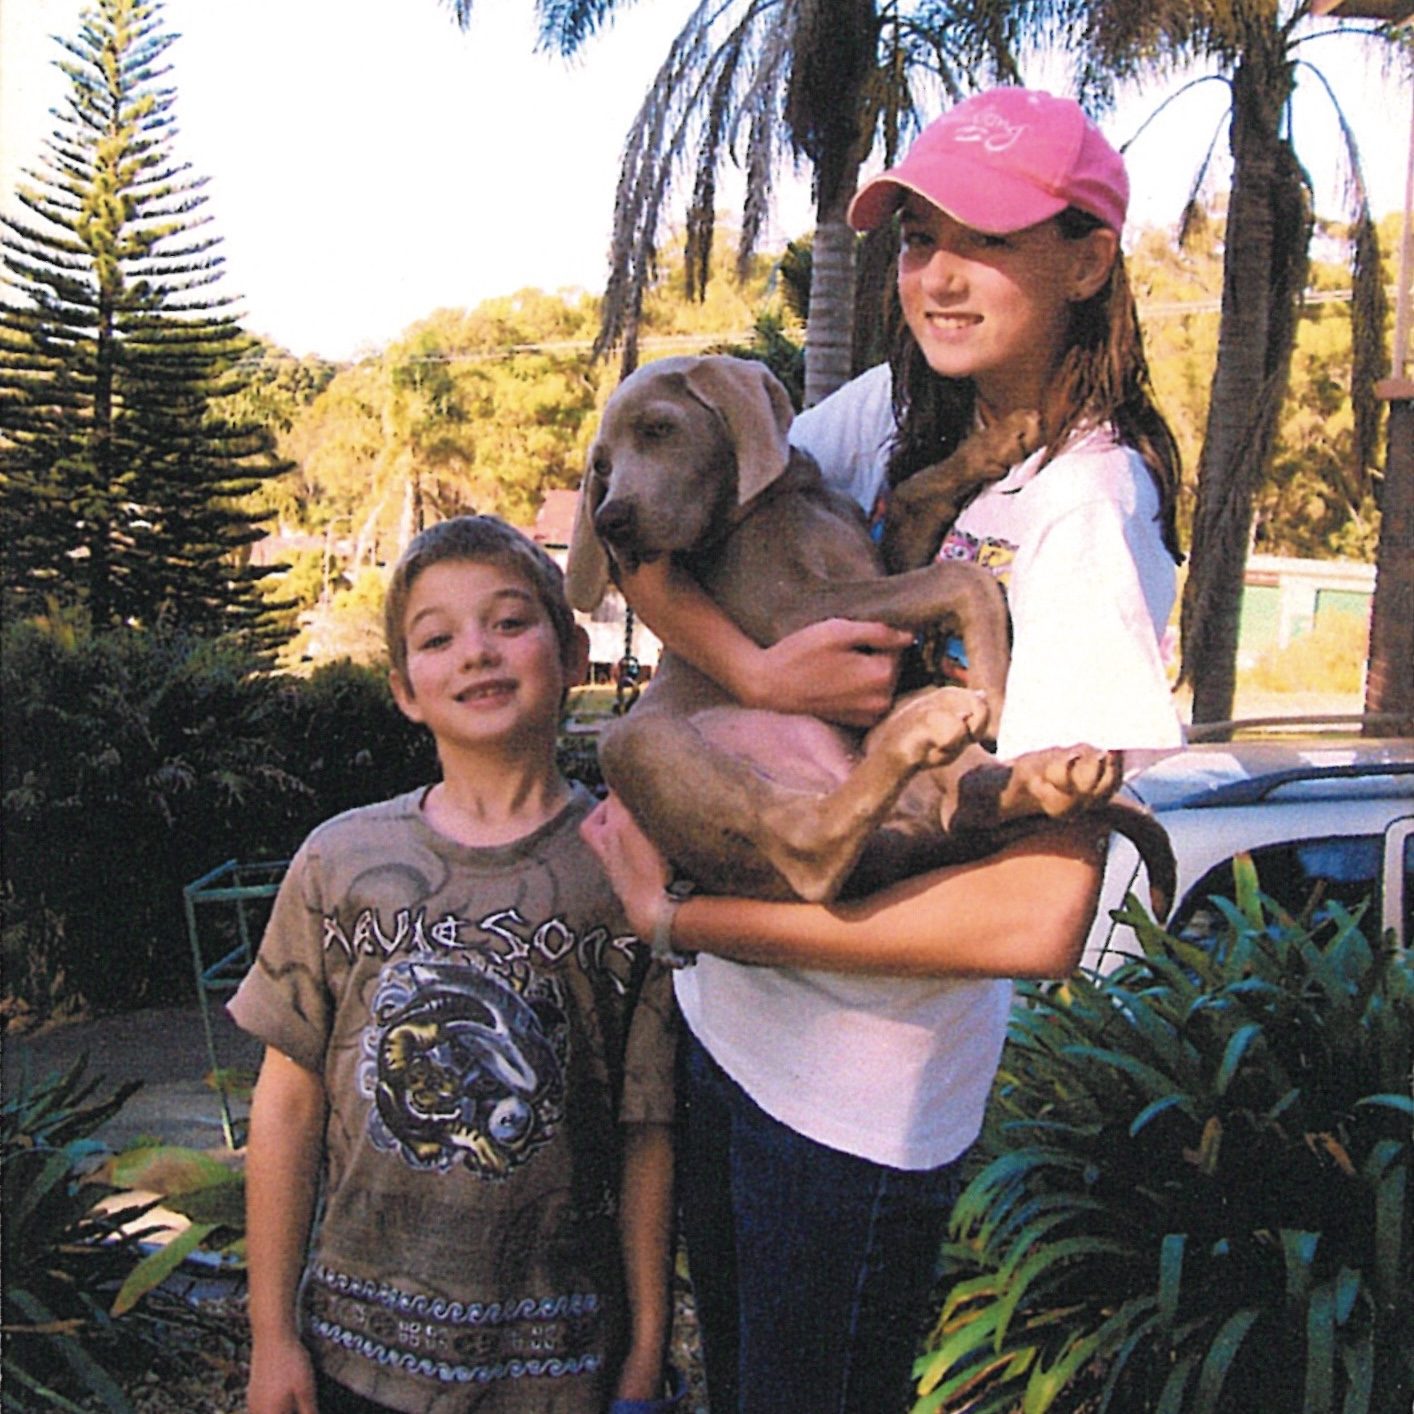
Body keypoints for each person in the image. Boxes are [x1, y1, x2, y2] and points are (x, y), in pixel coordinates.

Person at [589, 86, 1186, 1414]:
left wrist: (694, 916)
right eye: (917, 237)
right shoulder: (883, 412)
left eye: (984, 239)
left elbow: (1032, 916)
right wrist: (750, 665)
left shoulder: (1089, 510)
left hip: (855, 1104)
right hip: (726, 1037)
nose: (935, 273)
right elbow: (658, 528)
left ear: (1086, 260)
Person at [230, 516, 680, 1414]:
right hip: (355, 1364)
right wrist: (273, 1337)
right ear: (404, 688)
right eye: (438, 638)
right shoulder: (338, 862)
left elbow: (648, 1130)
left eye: (510, 622)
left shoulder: (632, 871)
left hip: (561, 1372)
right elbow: (285, 1106)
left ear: (572, 650)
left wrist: (646, 1351)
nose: (475, 651)